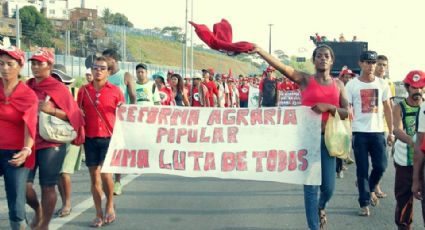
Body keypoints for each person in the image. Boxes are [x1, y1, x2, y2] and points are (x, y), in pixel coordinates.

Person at [250, 44, 348, 230]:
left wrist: (328, 107)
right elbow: (282, 67)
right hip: (307, 139)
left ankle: (321, 206)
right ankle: (314, 227)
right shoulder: (305, 79)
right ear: (313, 60)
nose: (323, 58)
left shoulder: (339, 85)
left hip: (329, 140)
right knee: (311, 188)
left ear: (332, 60)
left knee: (328, 188)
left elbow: (346, 113)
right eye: (319, 56)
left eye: (327, 56)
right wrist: (259, 51)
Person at [26, 49, 84, 230]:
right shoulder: (27, 85)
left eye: (40, 63)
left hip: (51, 143)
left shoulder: (58, 88)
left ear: (49, 66)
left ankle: (44, 226)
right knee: (23, 187)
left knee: (47, 186)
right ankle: (38, 210)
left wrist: (52, 111)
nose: (35, 67)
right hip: (28, 142)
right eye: (33, 63)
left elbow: (76, 116)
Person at [345, 50, 394, 216]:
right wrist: (348, 131)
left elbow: (388, 108)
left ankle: (371, 188)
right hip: (359, 132)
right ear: (360, 64)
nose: (371, 66)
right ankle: (364, 202)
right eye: (367, 62)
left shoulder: (382, 84)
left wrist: (391, 131)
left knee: (381, 166)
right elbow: (348, 109)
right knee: (362, 169)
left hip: (378, 131)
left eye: (373, 62)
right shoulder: (352, 85)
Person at [77, 56, 124, 227]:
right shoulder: (83, 90)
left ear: (108, 72)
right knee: (94, 177)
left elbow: (124, 115)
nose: (98, 70)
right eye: (95, 67)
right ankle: (98, 213)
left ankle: (110, 204)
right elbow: (78, 111)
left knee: (106, 174)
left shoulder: (116, 91)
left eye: (102, 68)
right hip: (90, 138)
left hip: (109, 138)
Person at [0, 46, 38, 230]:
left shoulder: (27, 95)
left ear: (20, 66)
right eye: (1, 64)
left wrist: (26, 149)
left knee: (16, 203)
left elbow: (30, 125)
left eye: (10, 64)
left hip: (16, 153)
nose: (5, 68)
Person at [392, 70, 425, 229]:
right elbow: (397, 130)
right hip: (405, 161)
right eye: (414, 87)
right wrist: (414, 143)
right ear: (407, 87)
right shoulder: (399, 107)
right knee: (404, 198)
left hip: (423, 160)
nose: (417, 91)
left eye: (420, 87)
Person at [50, 64, 83, 218]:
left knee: (64, 172)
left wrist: (52, 111)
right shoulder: (46, 94)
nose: (55, 81)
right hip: (55, 136)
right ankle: (64, 203)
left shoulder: (70, 93)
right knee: (57, 174)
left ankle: (68, 204)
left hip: (72, 136)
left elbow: (73, 115)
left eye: (58, 78)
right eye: (53, 77)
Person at [102, 48, 136, 196]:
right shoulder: (104, 76)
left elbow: (133, 97)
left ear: (114, 60)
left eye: (106, 59)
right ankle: (105, 180)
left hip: (120, 119)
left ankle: (117, 181)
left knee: (117, 150)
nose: (104, 61)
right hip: (104, 118)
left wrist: (130, 113)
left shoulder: (125, 76)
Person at [374, 54, 393, 199]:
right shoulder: (368, 82)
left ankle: (372, 181)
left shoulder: (389, 84)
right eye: (379, 64)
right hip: (369, 127)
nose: (381, 68)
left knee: (383, 160)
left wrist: (393, 129)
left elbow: (389, 106)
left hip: (384, 126)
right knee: (372, 160)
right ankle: (375, 186)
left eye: (384, 65)